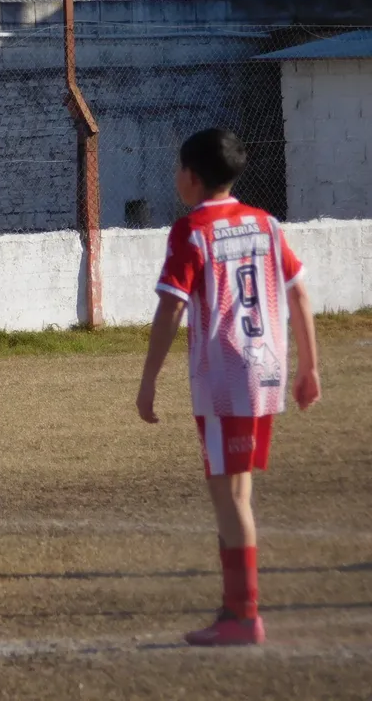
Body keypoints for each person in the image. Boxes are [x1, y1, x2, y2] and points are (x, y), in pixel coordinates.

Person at [136, 128, 321, 646]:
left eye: (178, 169)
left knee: (230, 499)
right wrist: (310, 367)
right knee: (239, 491)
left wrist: (148, 381)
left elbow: (171, 305)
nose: (176, 178)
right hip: (267, 371)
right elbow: (300, 293)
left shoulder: (192, 231)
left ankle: (243, 616)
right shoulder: (265, 222)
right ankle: (234, 610)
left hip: (224, 380)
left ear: (192, 177)